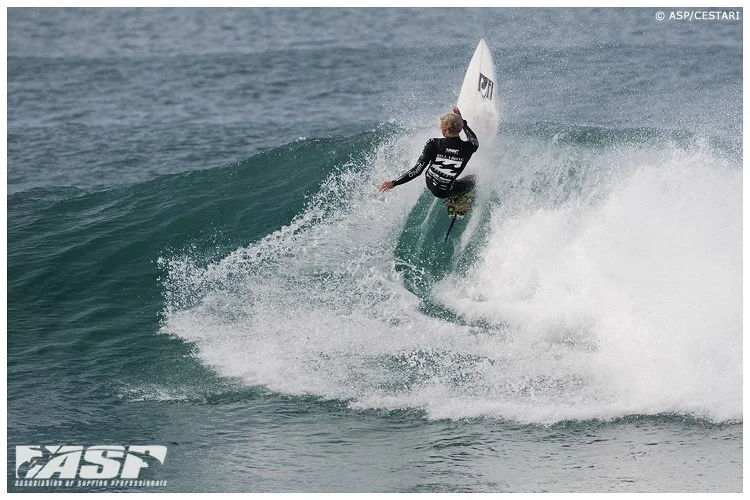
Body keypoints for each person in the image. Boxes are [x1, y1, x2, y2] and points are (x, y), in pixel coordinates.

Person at [378, 106, 478, 211]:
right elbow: (473, 138)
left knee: (453, 181)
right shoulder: (470, 147)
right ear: (460, 128)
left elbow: (417, 170)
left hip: (430, 182)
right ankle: (454, 199)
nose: (440, 128)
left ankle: (453, 200)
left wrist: (394, 183)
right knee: (474, 179)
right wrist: (463, 122)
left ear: (447, 130)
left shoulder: (433, 144)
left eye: (442, 127)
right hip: (445, 192)